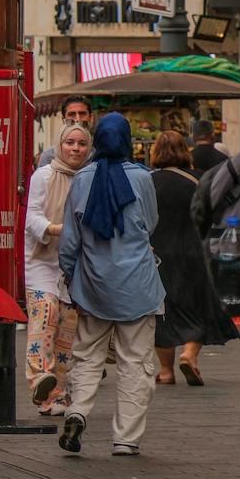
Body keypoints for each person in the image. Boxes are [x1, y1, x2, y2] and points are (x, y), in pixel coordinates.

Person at [57, 113, 166, 457]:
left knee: (87, 357)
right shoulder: (141, 178)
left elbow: (69, 242)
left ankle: (77, 412)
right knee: (136, 361)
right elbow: (150, 224)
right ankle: (126, 438)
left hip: (94, 286)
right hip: (138, 286)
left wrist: (71, 277)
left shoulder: (82, 179)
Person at [148, 131, 238, 385]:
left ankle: (166, 371)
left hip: (159, 255)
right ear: (184, 151)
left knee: (163, 312)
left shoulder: (148, 181)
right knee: (199, 306)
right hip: (195, 252)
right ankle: (189, 354)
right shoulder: (200, 179)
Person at [24, 122, 90, 415]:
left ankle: (57, 395)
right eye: (70, 143)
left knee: (67, 329)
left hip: (74, 266)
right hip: (42, 261)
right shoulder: (44, 175)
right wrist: (55, 229)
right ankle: (39, 377)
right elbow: (31, 216)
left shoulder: (90, 178)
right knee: (46, 312)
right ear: (60, 145)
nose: (75, 149)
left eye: (81, 144)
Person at [37, 97, 94, 168]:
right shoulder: (49, 157)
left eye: (82, 114)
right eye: (71, 114)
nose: (77, 119)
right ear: (63, 120)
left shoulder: (99, 155)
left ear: (91, 118)